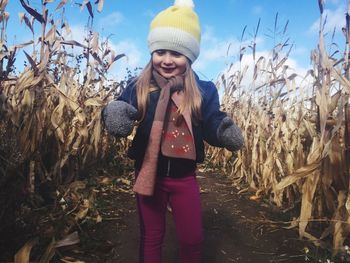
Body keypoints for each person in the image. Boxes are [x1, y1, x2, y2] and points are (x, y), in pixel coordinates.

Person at [102, 0, 244, 262]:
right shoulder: (139, 85)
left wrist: (223, 131)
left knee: (192, 239)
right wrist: (115, 113)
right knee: (152, 235)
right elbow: (122, 107)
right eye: (160, 51)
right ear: (152, 53)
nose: (167, 60)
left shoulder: (203, 91)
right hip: (148, 173)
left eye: (176, 54)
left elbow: (212, 121)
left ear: (189, 57)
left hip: (184, 177)